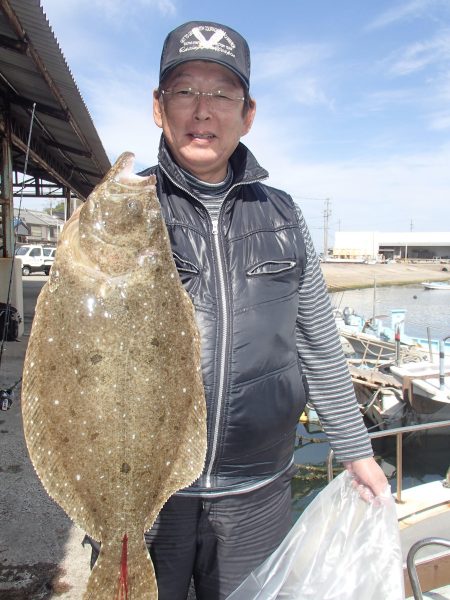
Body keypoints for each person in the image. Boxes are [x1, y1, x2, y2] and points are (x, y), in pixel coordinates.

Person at [90, 20, 388, 600]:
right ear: (158, 108)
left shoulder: (282, 214)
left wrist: (356, 452)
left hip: (260, 491)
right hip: (150, 497)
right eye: (184, 91)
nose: (203, 111)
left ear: (248, 114)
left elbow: (318, 341)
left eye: (222, 95)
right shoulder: (122, 213)